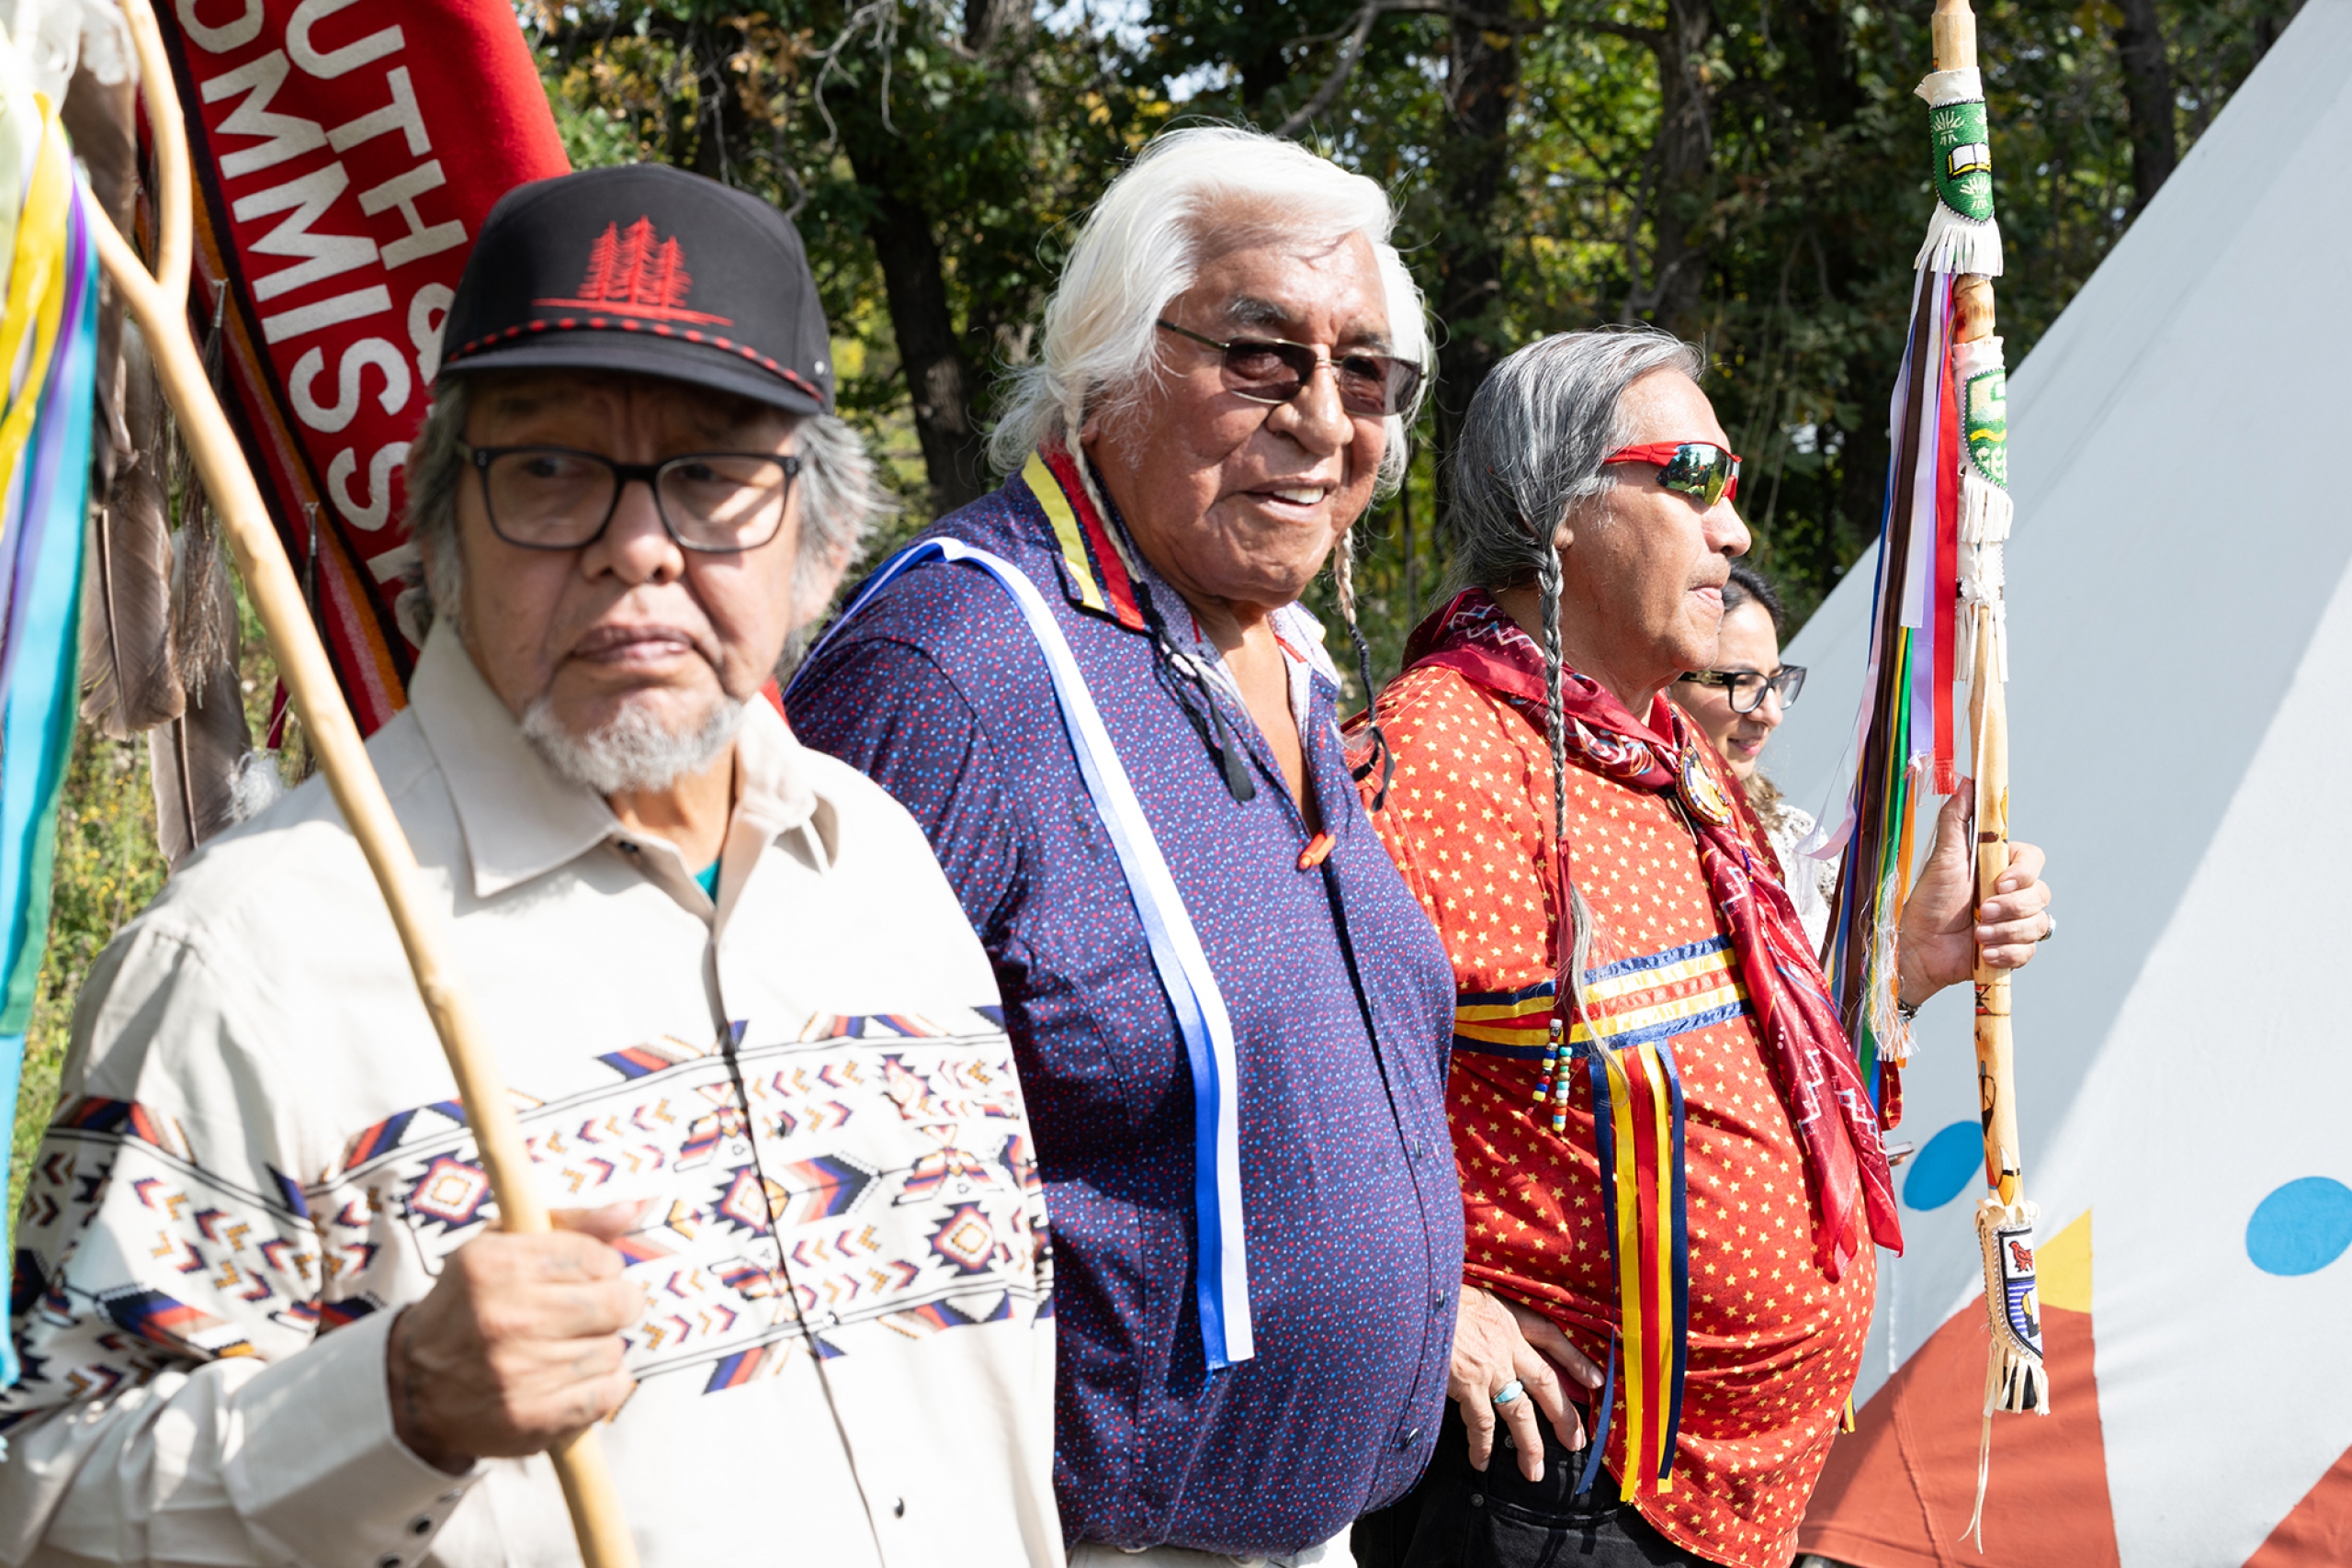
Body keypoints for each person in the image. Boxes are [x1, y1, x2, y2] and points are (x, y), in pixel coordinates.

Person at [0, 165, 1061, 1568]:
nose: (637, 547)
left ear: (817, 539)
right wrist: (391, 1403)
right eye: (550, 468)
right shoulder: (250, 957)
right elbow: (38, 1497)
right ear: (443, 521)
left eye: (711, 475)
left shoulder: (878, 865)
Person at [787, 127, 1459, 1566]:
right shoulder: (949, 670)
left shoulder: (1282, 652)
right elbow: (805, 1163)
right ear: (1113, 362)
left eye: (1367, 375)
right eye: (1263, 353)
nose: (1324, 420)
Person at [1351, 328, 2054, 1568]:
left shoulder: (1672, 757)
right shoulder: (1436, 758)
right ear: (1554, 507)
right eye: (1688, 477)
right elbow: (1268, 1090)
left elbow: (1749, 1063)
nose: (1731, 529)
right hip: (1554, 1497)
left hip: (1723, 1503)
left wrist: (1906, 969)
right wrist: (1429, 1304)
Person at [1667, 564, 1836, 951]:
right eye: (1742, 682)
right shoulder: (1628, 839)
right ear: (1664, 680)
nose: (1771, 713)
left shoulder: (1798, 843)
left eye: (1775, 681)